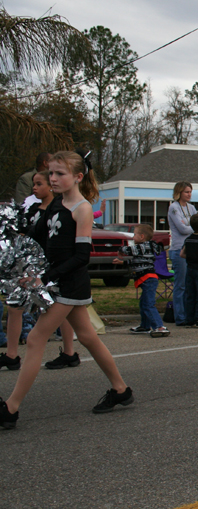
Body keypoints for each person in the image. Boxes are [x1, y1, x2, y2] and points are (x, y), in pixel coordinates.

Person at [1, 151, 133, 429]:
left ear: (78, 177)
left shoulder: (81, 208)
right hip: (58, 282)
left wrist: (45, 277)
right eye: (51, 173)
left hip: (69, 284)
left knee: (35, 339)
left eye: (59, 173)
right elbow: (36, 236)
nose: (53, 178)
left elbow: (81, 257)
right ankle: (121, 390)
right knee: (87, 337)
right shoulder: (55, 203)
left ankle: (10, 408)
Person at [1, 171, 79, 370]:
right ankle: (11, 355)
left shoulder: (60, 210)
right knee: (14, 306)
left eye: (39, 184)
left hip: (51, 267)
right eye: (33, 184)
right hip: (29, 267)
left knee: (62, 309)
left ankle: (69, 352)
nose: (34, 188)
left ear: (51, 186)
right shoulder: (31, 210)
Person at [114, 224, 169, 338]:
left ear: (142, 236)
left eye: (135, 235)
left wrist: (120, 250)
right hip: (146, 279)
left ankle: (159, 326)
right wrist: (123, 262)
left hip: (148, 278)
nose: (133, 237)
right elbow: (137, 261)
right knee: (143, 303)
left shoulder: (144, 246)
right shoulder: (145, 249)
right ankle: (145, 326)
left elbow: (129, 250)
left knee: (148, 304)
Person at [168, 181, 196, 326]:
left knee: (190, 284)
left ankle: (189, 314)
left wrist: (191, 226)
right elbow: (182, 229)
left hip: (191, 249)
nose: (189, 194)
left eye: (190, 192)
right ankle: (180, 316)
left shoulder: (191, 208)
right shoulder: (174, 208)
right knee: (181, 285)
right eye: (186, 192)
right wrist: (193, 227)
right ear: (179, 192)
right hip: (179, 249)